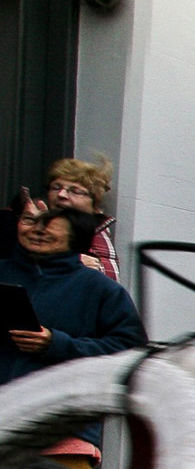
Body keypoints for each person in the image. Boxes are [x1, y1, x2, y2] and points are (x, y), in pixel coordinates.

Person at [2, 191, 142, 382]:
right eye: (30, 221)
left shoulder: (101, 289)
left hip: (53, 404)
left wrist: (56, 344)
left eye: (48, 228)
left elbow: (131, 352)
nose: (37, 231)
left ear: (75, 238)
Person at [43, 159, 118, 283]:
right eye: (56, 188)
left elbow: (108, 281)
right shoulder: (30, 225)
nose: (61, 194)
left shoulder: (97, 231)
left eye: (75, 191)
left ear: (94, 203)